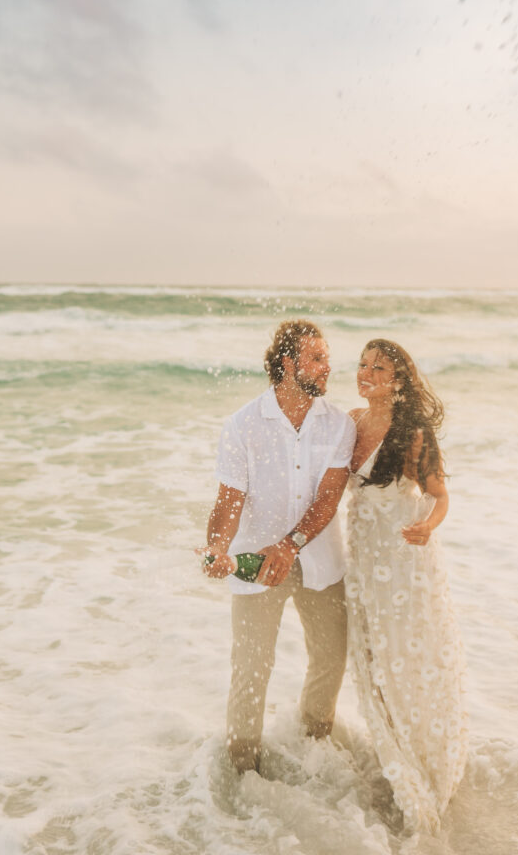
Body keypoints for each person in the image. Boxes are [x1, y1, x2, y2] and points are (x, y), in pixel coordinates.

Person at [201, 320, 356, 773]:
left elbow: (329, 496)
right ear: (288, 364)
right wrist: (217, 548)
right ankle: (242, 767)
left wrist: (290, 545)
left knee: (330, 658)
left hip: (322, 560)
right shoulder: (243, 425)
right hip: (256, 563)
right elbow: (229, 500)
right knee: (250, 669)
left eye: (326, 357)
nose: (328, 367)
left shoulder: (339, 424)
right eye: (317, 358)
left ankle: (314, 743)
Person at [345, 339, 468, 834]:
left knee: (406, 660)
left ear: (399, 382)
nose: (367, 373)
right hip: (362, 565)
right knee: (373, 660)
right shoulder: (352, 422)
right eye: (362, 364)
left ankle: (420, 765)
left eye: (379, 368)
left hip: (403, 567)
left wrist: (429, 526)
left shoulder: (412, 433)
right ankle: (392, 755)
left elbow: (439, 497)